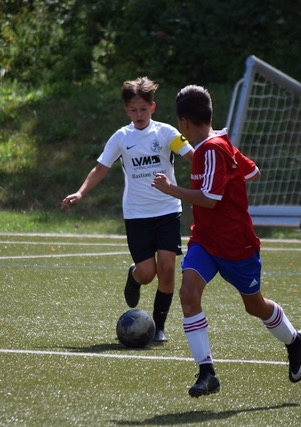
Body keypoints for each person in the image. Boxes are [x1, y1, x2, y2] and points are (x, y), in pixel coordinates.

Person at [151, 85, 301, 397]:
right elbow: (253, 172)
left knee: (255, 306)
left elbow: (210, 199)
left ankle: (295, 340)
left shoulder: (212, 149)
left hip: (237, 244)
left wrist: (171, 189)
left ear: (184, 122)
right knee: (188, 293)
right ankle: (207, 372)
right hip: (205, 240)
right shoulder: (219, 144)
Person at [61, 77, 194, 342]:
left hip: (168, 210)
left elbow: (194, 156)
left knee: (167, 268)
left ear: (153, 107)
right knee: (147, 273)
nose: (139, 114)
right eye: (133, 110)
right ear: (126, 111)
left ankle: (158, 326)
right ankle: (133, 277)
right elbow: (100, 168)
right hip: (137, 214)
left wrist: (217, 164)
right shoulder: (121, 137)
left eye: (144, 109)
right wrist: (80, 192)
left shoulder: (167, 133)